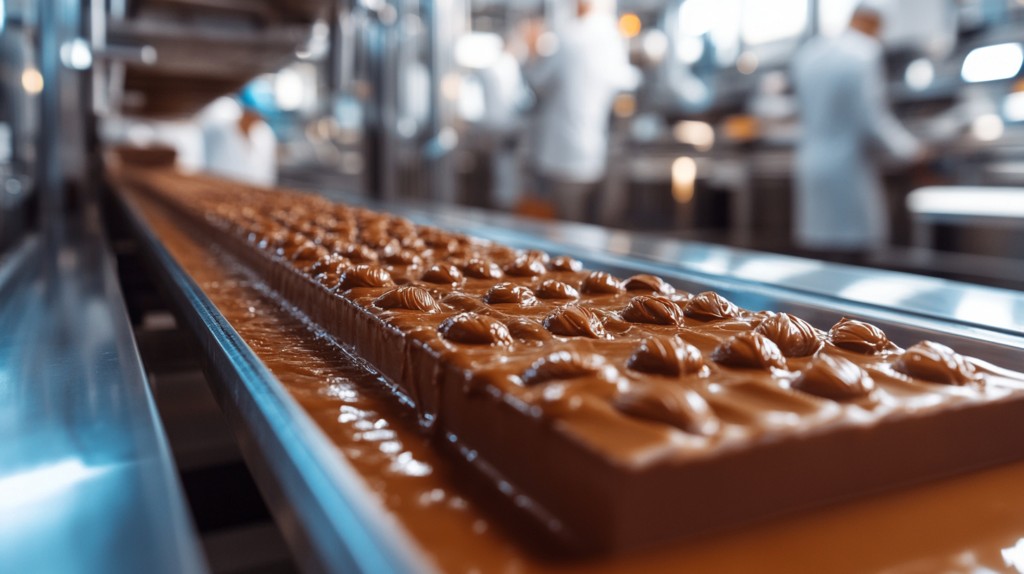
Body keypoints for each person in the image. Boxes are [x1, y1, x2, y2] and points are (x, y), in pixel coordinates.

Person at [791, 3, 925, 260]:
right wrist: (912, 150)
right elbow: (872, 120)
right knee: (853, 255)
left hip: (810, 163)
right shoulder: (865, 52)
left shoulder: (809, 53)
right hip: (847, 168)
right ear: (874, 22)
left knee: (820, 256)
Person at [524, 0, 638, 221]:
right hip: (593, 149)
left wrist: (531, 51)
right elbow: (626, 81)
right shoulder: (611, 37)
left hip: (563, 152)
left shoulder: (569, 36)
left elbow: (538, 81)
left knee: (566, 226)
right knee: (592, 225)